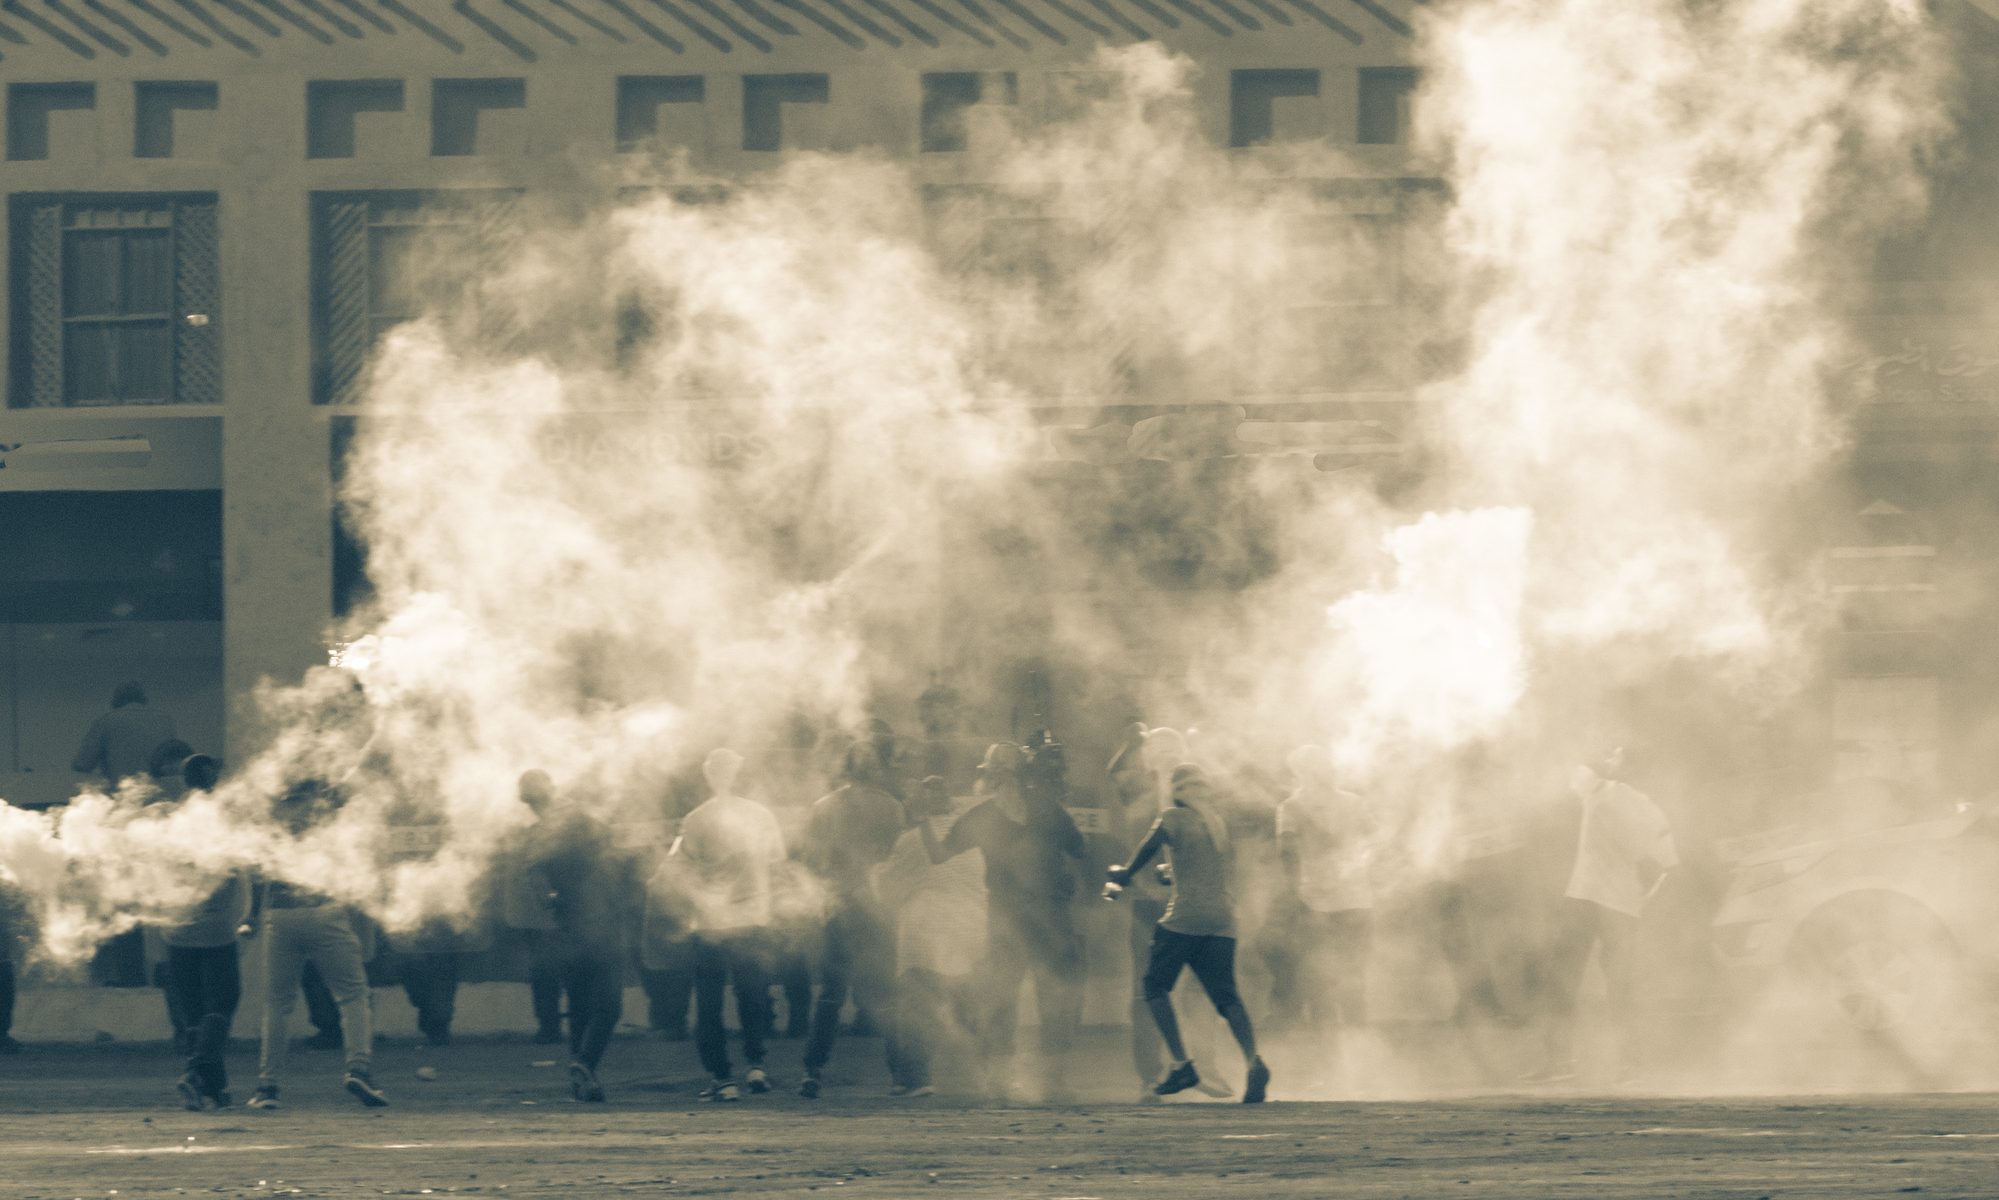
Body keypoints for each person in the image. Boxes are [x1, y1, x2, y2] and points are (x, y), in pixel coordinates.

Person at [918, 742, 1086, 1101]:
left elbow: (938, 855)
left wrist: (921, 818)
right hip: (1048, 916)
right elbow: (1080, 851)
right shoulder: (1047, 809)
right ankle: (1052, 1082)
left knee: (1005, 998)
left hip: (1010, 917)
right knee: (1052, 998)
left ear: (992, 776)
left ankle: (1001, 1080)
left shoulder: (984, 816)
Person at [1107, 762, 1271, 1104]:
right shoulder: (1216, 824)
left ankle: (1182, 1064)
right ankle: (1254, 1062)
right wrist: (1172, 873)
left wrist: (1124, 875)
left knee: (1154, 986)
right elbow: (1202, 867)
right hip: (1222, 920)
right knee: (1227, 997)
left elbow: (1146, 849)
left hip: (1186, 917)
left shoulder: (1171, 818)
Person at [1527, 747, 1677, 1084]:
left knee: (1616, 985)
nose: (1611, 759)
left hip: (1615, 904)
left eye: (1619, 756)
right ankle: (1561, 1061)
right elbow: (1668, 862)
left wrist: (1645, 897)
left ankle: (1628, 1063)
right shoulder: (1597, 790)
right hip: (1585, 898)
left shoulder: (1634, 801)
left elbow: (1668, 863)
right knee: (1564, 979)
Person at [244, 780, 389, 1110]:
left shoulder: (272, 818)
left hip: (279, 915)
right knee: (353, 995)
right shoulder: (328, 817)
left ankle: (268, 1087)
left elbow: (258, 874)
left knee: (277, 1004)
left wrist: (251, 916)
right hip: (323, 910)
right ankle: (359, 1068)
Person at [665, 748, 788, 1102]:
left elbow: (681, 870)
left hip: (712, 921)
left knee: (709, 1003)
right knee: (752, 995)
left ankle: (722, 1077)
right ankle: (756, 1065)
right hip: (753, 916)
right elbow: (777, 862)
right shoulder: (761, 815)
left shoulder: (696, 819)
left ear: (708, 775)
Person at [796, 741, 906, 1099]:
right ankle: (902, 1074)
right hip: (875, 906)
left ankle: (813, 1070)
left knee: (830, 994)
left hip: (837, 905)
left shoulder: (823, 807)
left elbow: (810, 860)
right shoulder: (890, 807)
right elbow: (897, 859)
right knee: (886, 994)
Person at [520, 773, 633, 1103]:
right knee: (608, 1007)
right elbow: (612, 859)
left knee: (580, 1005)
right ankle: (584, 1064)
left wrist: (553, 900)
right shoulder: (579, 819)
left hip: (567, 929)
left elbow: (537, 878)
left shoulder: (539, 834)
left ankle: (580, 1074)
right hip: (602, 925)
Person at [875, 775, 985, 1097]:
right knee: (964, 1006)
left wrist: (876, 874)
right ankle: (975, 1076)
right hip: (967, 930)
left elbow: (888, 891)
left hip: (924, 932)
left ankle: (915, 1078)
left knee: (916, 1007)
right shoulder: (971, 841)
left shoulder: (911, 840)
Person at [1273, 745, 1374, 1038]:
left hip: (1342, 899)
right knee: (1330, 975)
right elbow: (1287, 852)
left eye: (1326, 765)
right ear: (1302, 772)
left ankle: (1347, 1044)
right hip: (1322, 900)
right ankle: (1346, 1043)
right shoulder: (1293, 807)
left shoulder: (1350, 802)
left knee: (1338, 975)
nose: (1326, 771)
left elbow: (1373, 841)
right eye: (1319, 766)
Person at [499, 770, 567, 1044]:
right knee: (548, 969)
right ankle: (552, 1025)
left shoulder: (538, 821)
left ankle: (550, 1025)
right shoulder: (551, 819)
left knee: (545, 970)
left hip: (543, 906)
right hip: (544, 907)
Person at [71, 681, 176, 786]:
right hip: (159, 795)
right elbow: (173, 763)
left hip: (122, 795)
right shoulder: (165, 721)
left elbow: (82, 764)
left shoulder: (106, 721)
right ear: (143, 699)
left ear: (116, 700)